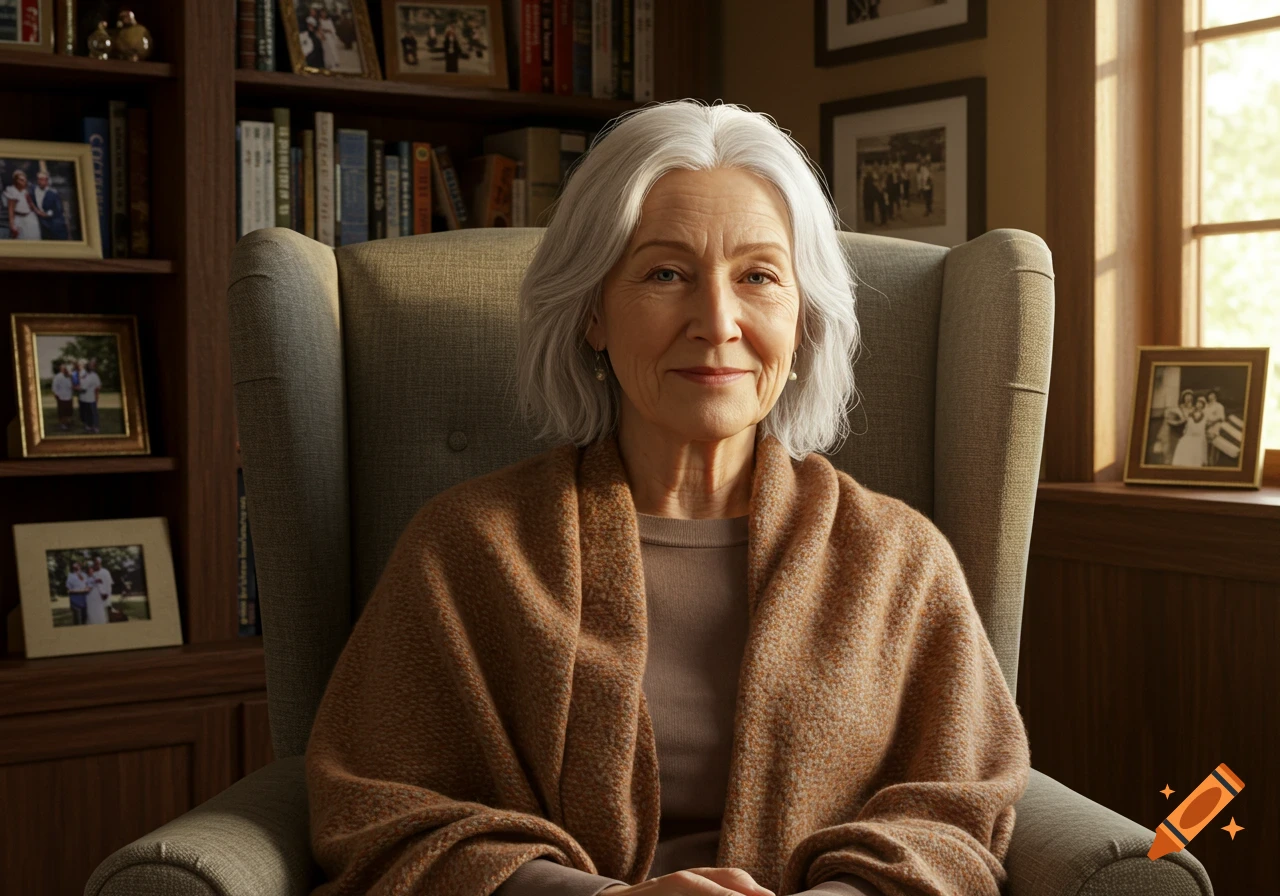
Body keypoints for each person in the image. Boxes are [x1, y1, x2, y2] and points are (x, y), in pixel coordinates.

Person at [304, 100, 1030, 896]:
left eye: (758, 276)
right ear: (592, 312)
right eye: (665, 274)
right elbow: (373, 808)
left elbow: (959, 813)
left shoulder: (899, 558)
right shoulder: (468, 546)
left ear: (803, 322)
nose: (716, 322)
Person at [1171, 395, 1209, 467]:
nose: (1199, 405)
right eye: (1198, 403)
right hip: (1189, 435)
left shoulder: (1205, 415)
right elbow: (1187, 424)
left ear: (1203, 405)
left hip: (1198, 436)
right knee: (1183, 443)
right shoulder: (1191, 413)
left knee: (1197, 447)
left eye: (1201, 403)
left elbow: (1204, 425)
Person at [4, 170, 42, 240]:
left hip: (29, 217)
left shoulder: (26, 191)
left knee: (33, 237)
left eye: (24, 180)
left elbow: (31, 204)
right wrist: (12, 225)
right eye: (21, 180)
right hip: (19, 218)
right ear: (16, 180)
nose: (23, 182)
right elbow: (11, 209)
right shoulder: (12, 191)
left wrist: (38, 212)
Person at [32, 170, 68, 240]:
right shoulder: (33, 190)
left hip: (53, 222)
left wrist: (46, 214)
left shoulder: (53, 193)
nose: (40, 181)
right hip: (40, 224)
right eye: (39, 179)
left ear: (47, 181)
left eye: (42, 179)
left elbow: (58, 209)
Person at [87, 557, 116, 624]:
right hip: (95, 598)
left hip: (105, 596)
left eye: (98, 563)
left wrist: (107, 595)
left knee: (105, 616)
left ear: (100, 563)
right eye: (95, 564)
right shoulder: (92, 573)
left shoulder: (106, 572)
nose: (96, 565)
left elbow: (109, 585)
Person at [78, 358, 102, 433]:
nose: (90, 367)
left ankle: (95, 427)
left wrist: (96, 396)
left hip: (91, 398)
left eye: (92, 365)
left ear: (94, 367)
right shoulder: (83, 374)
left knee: (93, 414)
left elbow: (99, 386)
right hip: (83, 398)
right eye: (89, 365)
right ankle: (88, 426)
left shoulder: (95, 376)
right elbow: (80, 384)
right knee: (86, 413)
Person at [64, 561, 92, 625]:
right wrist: (77, 591)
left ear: (80, 567)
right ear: (73, 567)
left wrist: (87, 589)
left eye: (78, 566)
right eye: (75, 566)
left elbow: (88, 585)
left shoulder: (84, 575)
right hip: (75, 600)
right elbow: (68, 589)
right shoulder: (70, 576)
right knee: (78, 620)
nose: (76, 567)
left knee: (85, 619)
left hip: (84, 600)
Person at [1204, 389, 1226, 465]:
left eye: (1213, 395)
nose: (1211, 397)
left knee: (1214, 447)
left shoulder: (1219, 406)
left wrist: (1211, 423)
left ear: (1216, 396)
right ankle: (1205, 464)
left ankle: (1213, 464)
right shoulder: (1206, 406)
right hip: (1205, 428)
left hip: (1214, 428)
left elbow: (1221, 418)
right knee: (1205, 447)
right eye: (1210, 395)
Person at [51, 362, 75, 430]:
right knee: (62, 412)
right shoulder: (57, 377)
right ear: (60, 369)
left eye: (65, 368)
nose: (65, 369)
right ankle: (62, 424)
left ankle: (68, 423)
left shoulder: (69, 376)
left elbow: (71, 386)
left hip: (69, 397)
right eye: (63, 368)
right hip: (61, 397)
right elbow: (54, 387)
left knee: (68, 411)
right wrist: (56, 395)